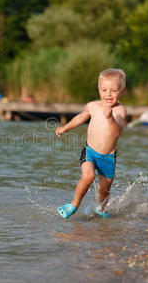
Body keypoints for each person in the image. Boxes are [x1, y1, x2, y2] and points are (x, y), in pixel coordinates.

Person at [56, 68, 127, 219]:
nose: (108, 94)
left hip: (108, 157)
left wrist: (110, 118)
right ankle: (73, 205)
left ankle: (101, 209)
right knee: (88, 177)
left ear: (122, 92)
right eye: (104, 90)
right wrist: (65, 128)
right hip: (90, 151)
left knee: (104, 189)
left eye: (113, 90)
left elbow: (117, 133)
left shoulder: (120, 111)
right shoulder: (93, 106)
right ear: (99, 90)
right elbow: (80, 118)